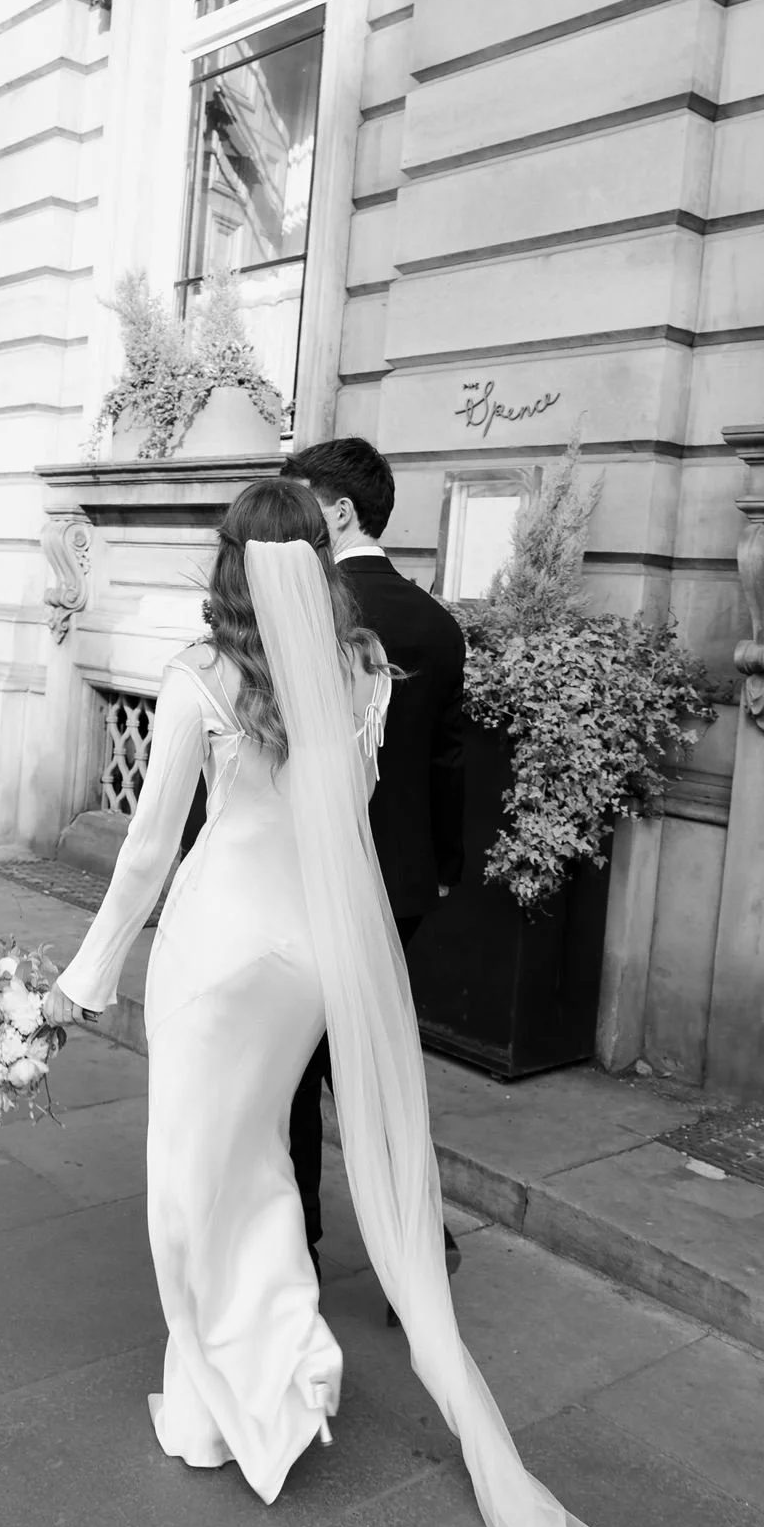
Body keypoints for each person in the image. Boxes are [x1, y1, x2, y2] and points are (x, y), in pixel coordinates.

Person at [54, 477, 669, 1527]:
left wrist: (79, 980)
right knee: (261, 1172)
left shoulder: (200, 680)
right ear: (318, 563)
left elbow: (144, 857)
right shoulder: (363, 673)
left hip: (218, 953)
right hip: (310, 962)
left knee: (193, 1182)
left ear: (233, 565)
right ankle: (217, 1398)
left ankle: (274, 1369)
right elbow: (352, 819)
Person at [278, 437, 465, 1294]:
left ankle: (302, 1248)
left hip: (313, 876)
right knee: (378, 1064)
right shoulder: (435, 622)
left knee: (293, 1070)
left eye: (299, 503)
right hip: (400, 885)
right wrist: (443, 872)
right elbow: (447, 765)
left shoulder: (307, 608)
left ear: (338, 511)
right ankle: (421, 1245)